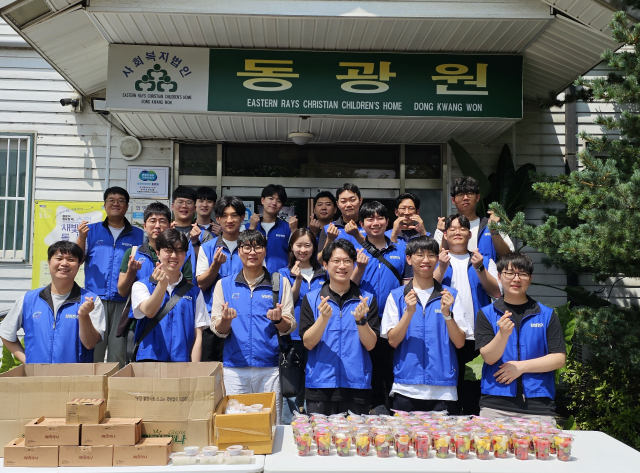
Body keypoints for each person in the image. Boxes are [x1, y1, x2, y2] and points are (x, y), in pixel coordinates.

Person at [210, 230, 296, 423]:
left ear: (265, 250)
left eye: (257, 247)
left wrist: (278, 320)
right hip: (235, 369)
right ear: (239, 251)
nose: (252, 252)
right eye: (247, 247)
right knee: (236, 422)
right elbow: (218, 330)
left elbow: (289, 326)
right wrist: (225, 320)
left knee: (270, 423)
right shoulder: (224, 285)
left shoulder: (280, 283)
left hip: (269, 367)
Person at [475, 252, 566, 423]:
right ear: (499, 277)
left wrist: (521, 367)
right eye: (509, 273)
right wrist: (502, 335)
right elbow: (489, 357)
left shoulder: (546, 314)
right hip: (496, 406)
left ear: (530, 278)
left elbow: (559, 358)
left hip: (539, 406)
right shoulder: (486, 314)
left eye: (522, 274)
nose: (516, 279)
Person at [382, 237, 468, 413]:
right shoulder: (397, 296)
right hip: (406, 387)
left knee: (443, 441)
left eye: (431, 255)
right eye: (419, 255)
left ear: (437, 259)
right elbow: (392, 341)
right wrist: (409, 312)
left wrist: (447, 314)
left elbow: (460, 342)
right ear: (408, 259)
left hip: (443, 390)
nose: (426, 260)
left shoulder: (450, 296)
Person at [300, 239, 380, 416]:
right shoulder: (312, 298)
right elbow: (308, 343)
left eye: (347, 261)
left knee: (355, 442)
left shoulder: (367, 299)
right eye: (336, 261)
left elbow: (371, 345)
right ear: (325, 265)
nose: (342, 266)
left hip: (356, 385)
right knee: (320, 442)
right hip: (320, 386)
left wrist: (361, 320)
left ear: (353, 265)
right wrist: (323, 318)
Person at [434, 214, 502, 416]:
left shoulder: (483, 259)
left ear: (469, 234)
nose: (457, 232)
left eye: (462, 228)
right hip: (446, 334)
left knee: (473, 392)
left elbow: (496, 292)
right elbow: (428, 290)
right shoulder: (438, 259)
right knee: (448, 390)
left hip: (476, 335)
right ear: (445, 234)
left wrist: (479, 267)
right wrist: (441, 267)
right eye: (452, 229)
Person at [0, 241, 105, 364]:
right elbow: (6, 333)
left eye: (71, 259)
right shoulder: (28, 299)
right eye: (59, 258)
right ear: (49, 262)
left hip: (75, 378)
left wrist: (83, 316)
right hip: (37, 378)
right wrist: (27, 361)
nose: (64, 263)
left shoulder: (91, 300)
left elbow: (90, 343)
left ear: (78, 265)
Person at [76, 186, 144, 368]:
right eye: (111, 200)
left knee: (118, 353)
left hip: (123, 300)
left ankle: (116, 393)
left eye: (120, 200)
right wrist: (81, 238)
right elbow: (78, 259)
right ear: (104, 205)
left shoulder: (139, 235)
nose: (116, 203)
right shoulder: (91, 231)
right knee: (93, 351)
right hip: (94, 299)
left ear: (127, 206)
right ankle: (91, 393)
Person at [354, 201, 408, 414]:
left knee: (394, 366)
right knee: (371, 367)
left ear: (387, 221)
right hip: (366, 321)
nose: (375, 223)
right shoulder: (355, 250)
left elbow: (408, 284)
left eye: (380, 218)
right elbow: (348, 285)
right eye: (369, 219)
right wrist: (359, 268)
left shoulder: (402, 249)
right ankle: (375, 410)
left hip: (394, 320)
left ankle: (396, 410)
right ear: (361, 223)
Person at [131, 229, 207, 362]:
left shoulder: (194, 292)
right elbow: (149, 311)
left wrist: (195, 369)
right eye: (168, 251)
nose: (174, 256)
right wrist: (162, 285)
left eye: (179, 251)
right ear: (158, 254)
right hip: (150, 360)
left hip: (182, 363)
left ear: (185, 254)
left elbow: (198, 335)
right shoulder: (141, 286)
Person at [278, 228, 327, 422]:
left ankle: (315, 423)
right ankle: (289, 425)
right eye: (299, 245)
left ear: (314, 248)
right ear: (291, 247)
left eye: (308, 245)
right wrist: (297, 280)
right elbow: (287, 302)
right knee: (291, 386)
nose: (303, 249)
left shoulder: (324, 273)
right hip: (293, 336)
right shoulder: (282, 273)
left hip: (318, 337)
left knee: (314, 382)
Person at [196, 196, 247, 362]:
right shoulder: (207, 248)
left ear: (242, 217)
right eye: (224, 216)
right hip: (213, 320)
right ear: (217, 219)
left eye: (234, 215)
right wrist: (215, 266)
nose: (229, 220)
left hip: (243, 319)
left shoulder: (252, 248)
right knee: (211, 374)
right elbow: (201, 284)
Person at [118, 202, 192, 299]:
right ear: (144, 226)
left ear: (170, 225)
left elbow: (187, 291)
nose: (157, 226)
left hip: (171, 311)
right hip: (140, 311)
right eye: (152, 221)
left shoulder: (181, 255)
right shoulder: (133, 253)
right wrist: (131, 272)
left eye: (162, 221)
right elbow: (122, 291)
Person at [434, 177, 514, 260]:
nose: (465, 198)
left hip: (486, 271)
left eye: (470, 193)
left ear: (478, 197)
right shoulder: (443, 227)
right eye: (460, 194)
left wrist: (494, 231)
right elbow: (435, 257)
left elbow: (508, 255)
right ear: (453, 200)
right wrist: (444, 232)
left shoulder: (491, 224)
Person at [249, 184, 298, 273]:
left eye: (278, 201)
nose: (274, 203)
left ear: (282, 206)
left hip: (280, 278)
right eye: (271, 198)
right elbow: (243, 251)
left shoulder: (287, 228)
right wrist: (252, 228)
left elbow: (298, 252)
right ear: (262, 200)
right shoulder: (248, 227)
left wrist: (294, 231)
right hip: (253, 277)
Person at [171, 186, 214, 278]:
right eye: (180, 202)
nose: (184, 206)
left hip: (195, 289)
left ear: (194, 208)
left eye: (189, 203)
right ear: (172, 206)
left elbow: (209, 265)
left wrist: (195, 242)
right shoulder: (165, 232)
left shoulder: (205, 234)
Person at [317, 183, 367, 260]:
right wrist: (330, 239)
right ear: (337, 204)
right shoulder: (329, 229)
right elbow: (320, 260)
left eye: (352, 200)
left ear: (360, 201)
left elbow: (379, 253)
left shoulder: (369, 226)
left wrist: (357, 235)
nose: (348, 204)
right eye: (343, 201)